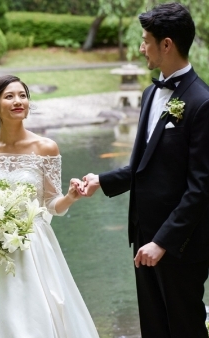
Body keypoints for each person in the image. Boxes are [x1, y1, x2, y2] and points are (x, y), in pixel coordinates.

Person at [78, 3, 209, 338]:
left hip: (180, 245)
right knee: (153, 328)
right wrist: (102, 180)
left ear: (166, 44)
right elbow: (145, 164)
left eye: (145, 40)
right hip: (142, 237)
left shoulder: (202, 102)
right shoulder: (150, 93)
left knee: (185, 328)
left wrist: (163, 242)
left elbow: (201, 187)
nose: (140, 47)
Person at [0, 75, 99, 338]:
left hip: (34, 247)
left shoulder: (46, 147)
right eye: (9, 96)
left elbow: (52, 205)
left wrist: (71, 196)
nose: (18, 101)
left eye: (22, 95)